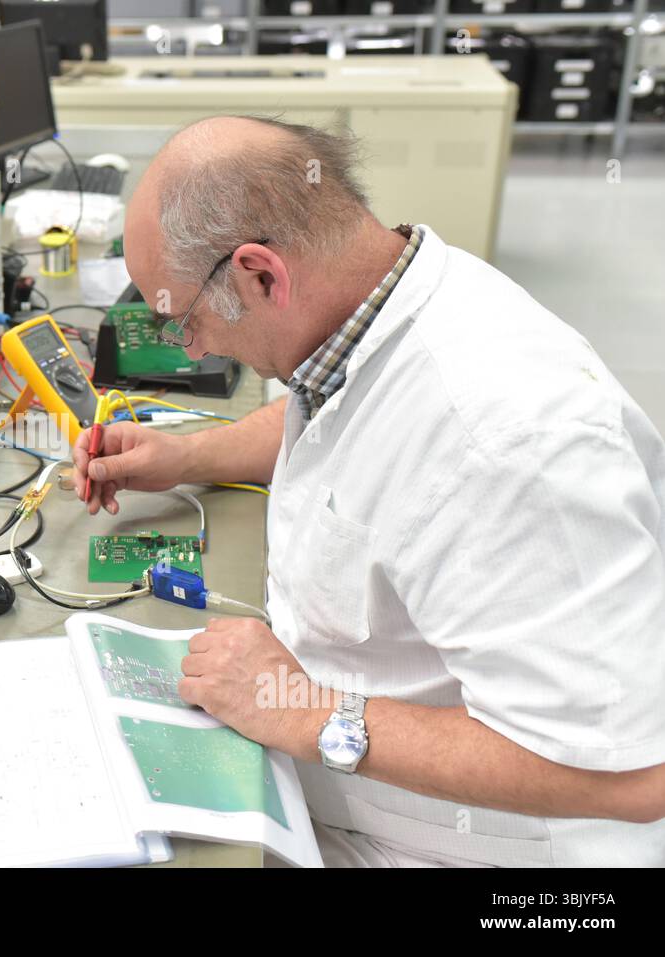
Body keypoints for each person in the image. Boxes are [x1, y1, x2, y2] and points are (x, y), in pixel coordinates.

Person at [72, 115, 665, 866]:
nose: (192, 349)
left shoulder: (510, 444)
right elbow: (334, 415)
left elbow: (633, 775)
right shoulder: (378, 300)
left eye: (183, 322)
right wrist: (185, 454)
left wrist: (306, 710)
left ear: (260, 275)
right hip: (348, 782)